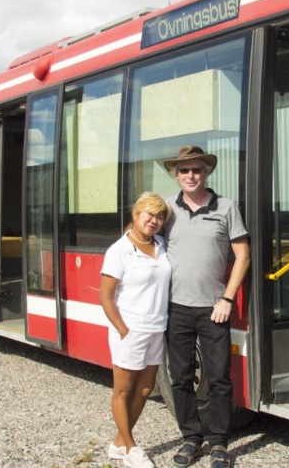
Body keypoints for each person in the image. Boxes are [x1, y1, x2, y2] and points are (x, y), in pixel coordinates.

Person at [163, 146, 250, 468]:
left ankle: (219, 442)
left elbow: (243, 256)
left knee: (219, 379)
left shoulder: (226, 207)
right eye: (184, 170)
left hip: (214, 309)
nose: (190, 176)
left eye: (196, 170)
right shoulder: (166, 208)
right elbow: (142, 236)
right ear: (176, 174)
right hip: (176, 309)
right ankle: (190, 438)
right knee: (181, 377)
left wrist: (227, 299)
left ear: (206, 173)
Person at [99, 192, 172, 468]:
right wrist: (123, 330)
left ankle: (118, 442)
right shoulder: (119, 251)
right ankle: (131, 448)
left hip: (156, 328)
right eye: (149, 214)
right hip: (130, 330)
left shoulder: (162, 245)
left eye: (160, 216)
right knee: (124, 391)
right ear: (135, 214)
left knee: (145, 390)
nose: (154, 220)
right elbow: (106, 298)